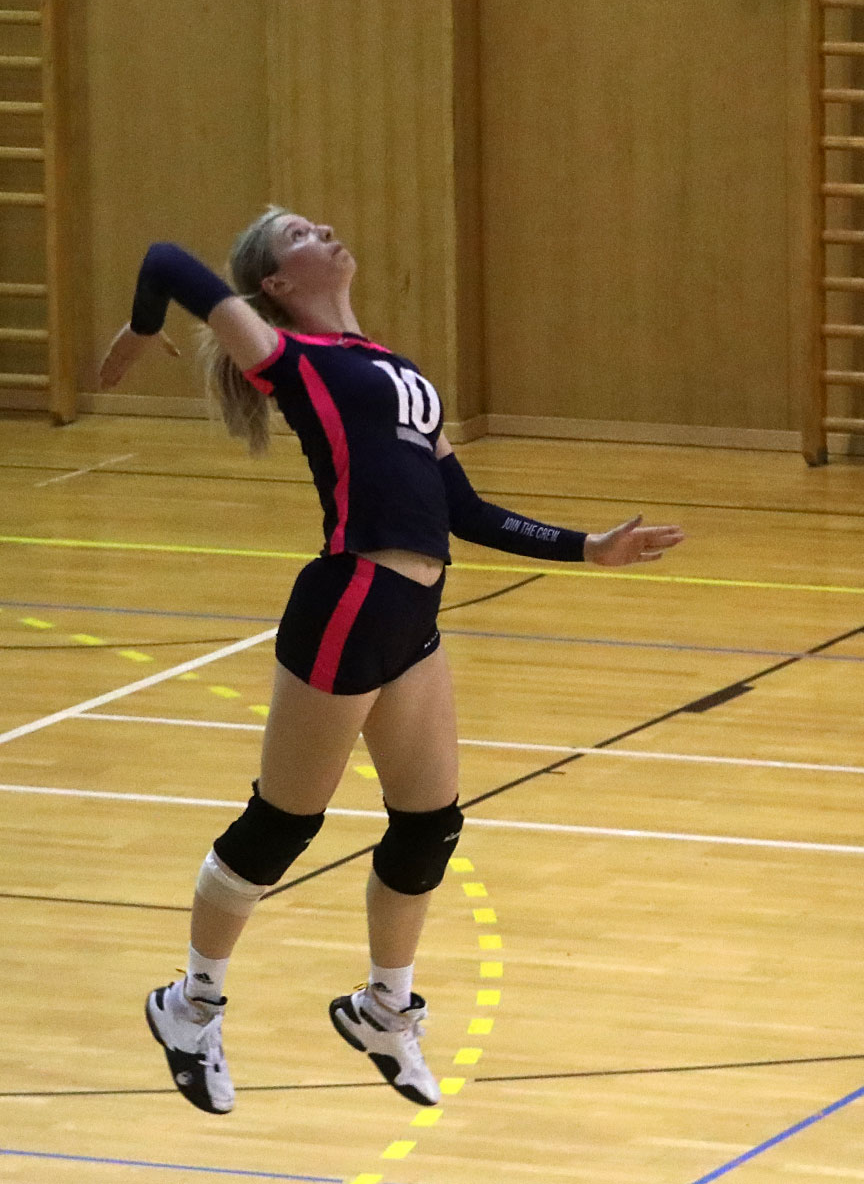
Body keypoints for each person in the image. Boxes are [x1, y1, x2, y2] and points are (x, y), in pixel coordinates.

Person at [99, 206, 685, 1117]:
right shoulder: (289, 358)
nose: (324, 230)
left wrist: (586, 549)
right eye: (299, 233)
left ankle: (383, 1010)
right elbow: (168, 259)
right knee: (280, 827)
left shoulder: (398, 372)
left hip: (412, 615)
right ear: (275, 285)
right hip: (348, 604)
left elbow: (465, 509)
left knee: (429, 828)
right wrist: (141, 332)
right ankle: (190, 1005)